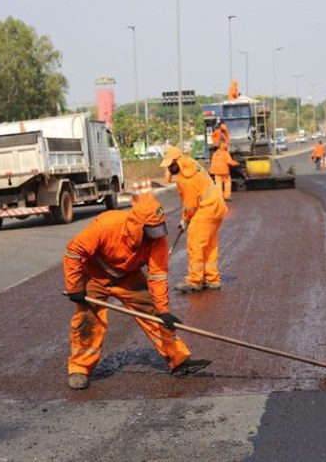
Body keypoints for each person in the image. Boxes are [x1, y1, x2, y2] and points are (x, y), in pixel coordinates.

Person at [62, 192, 211, 390]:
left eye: (159, 229)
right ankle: (79, 368)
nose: (156, 236)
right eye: (151, 231)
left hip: (129, 277)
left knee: (154, 315)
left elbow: (157, 275)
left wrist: (163, 310)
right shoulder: (107, 226)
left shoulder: (157, 239)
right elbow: (73, 251)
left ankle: (179, 359)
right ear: (137, 226)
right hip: (94, 276)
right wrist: (75, 287)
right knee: (88, 319)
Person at [160, 146, 228, 293]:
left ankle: (195, 280)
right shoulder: (191, 163)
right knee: (210, 244)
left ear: (178, 161)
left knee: (195, 243)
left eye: (171, 165)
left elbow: (190, 206)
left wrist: (184, 220)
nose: (170, 168)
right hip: (217, 206)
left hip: (207, 209)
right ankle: (212, 279)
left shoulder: (186, 179)